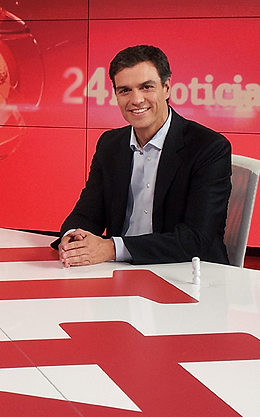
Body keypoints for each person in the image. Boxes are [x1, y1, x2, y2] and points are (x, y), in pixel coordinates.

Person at [54, 45, 231, 267]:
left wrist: (112, 248)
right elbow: (88, 213)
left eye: (146, 87)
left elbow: (197, 238)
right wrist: (72, 238)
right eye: (125, 90)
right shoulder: (110, 144)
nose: (136, 100)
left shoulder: (208, 147)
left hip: (186, 272)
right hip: (120, 270)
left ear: (167, 88)